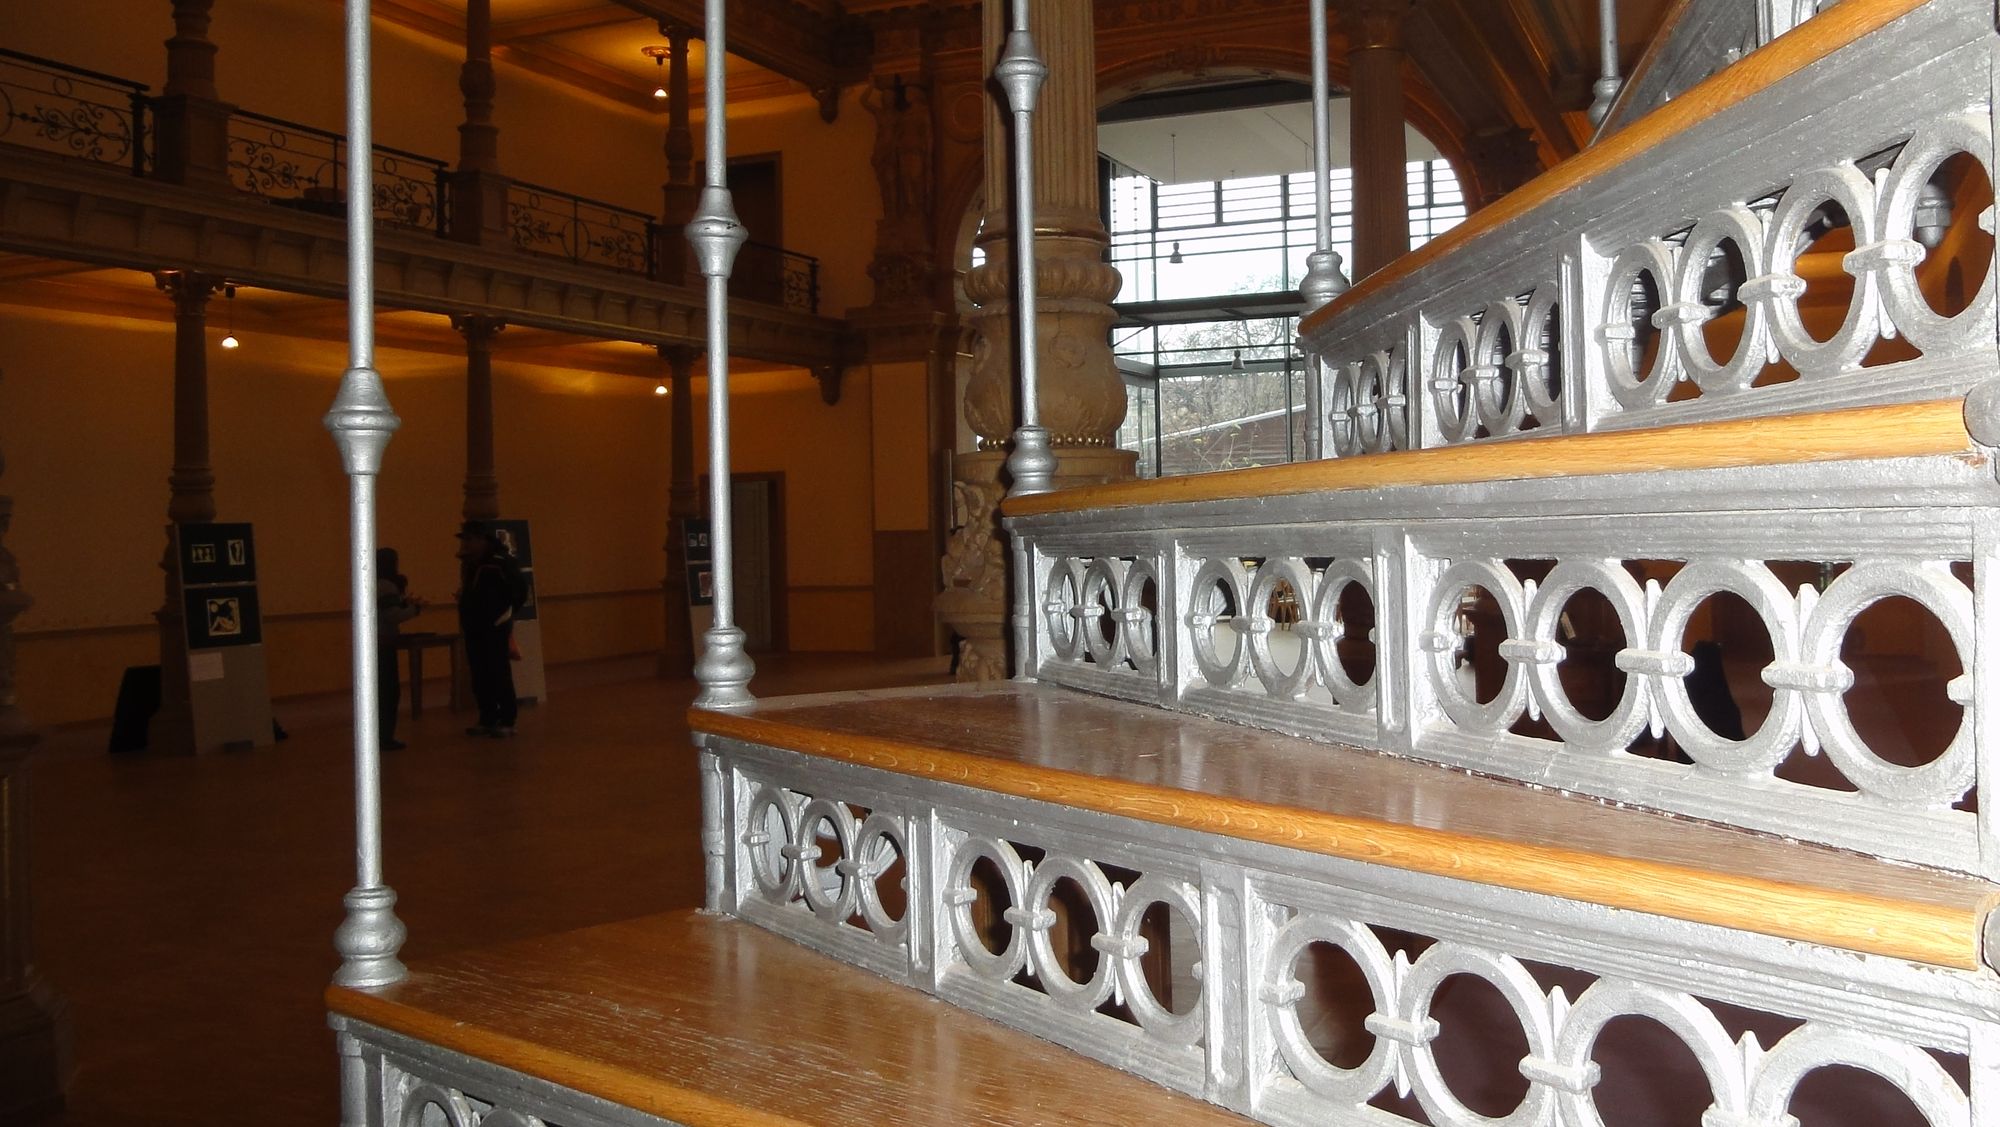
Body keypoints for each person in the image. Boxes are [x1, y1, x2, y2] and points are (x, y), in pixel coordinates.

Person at [455, 522, 518, 738]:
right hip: (474, 627)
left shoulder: (501, 563)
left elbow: (518, 591)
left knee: (498, 673)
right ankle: (487, 717)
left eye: (470, 539)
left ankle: (507, 720)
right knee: (480, 674)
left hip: (495, 627)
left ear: (483, 540)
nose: (466, 544)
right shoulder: (472, 564)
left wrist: (503, 615)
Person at [376, 547, 423, 751]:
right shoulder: (387, 586)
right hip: (384, 643)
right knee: (389, 692)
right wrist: (415, 609)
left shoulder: (371, 583)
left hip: (371, 643)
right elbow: (392, 616)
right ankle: (385, 737)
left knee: (379, 692)